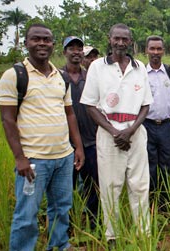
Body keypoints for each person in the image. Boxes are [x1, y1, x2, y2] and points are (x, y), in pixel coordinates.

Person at [0, 23, 84, 251]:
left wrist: (78, 148)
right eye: (36, 39)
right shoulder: (15, 75)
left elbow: (70, 114)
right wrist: (20, 158)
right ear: (26, 43)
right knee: (27, 214)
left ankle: (60, 245)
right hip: (34, 161)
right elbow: (7, 120)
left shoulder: (61, 77)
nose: (42, 43)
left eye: (46, 39)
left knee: (61, 207)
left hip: (64, 157)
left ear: (53, 44)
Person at [80, 23, 153, 244]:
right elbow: (90, 105)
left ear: (130, 41)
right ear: (109, 39)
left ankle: (144, 233)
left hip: (136, 132)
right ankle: (112, 236)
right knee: (111, 186)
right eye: (116, 39)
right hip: (108, 132)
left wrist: (130, 131)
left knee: (140, 185)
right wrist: (114, 131)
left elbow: (146, 105)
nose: (120, 43)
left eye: (125, 39)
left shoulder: (139, 67)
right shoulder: (97, 68)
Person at [142, 35, 170, 213]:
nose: (155, 52)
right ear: (146, 50)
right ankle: (151, 206)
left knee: (168, 167)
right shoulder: (140, 73)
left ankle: (166, 207)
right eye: (152, 49)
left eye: (158, 49)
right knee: (149, 167)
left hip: (167, 127)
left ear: (163, 51)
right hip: (146, 126)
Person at [61, 36, 100, 230]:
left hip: (92, 141)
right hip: (65, 144)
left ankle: (94, 224)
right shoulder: (57, 77)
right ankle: (65, 227)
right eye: (71, 48)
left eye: (79, 48)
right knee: (65, 188)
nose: (76, 52)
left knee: (93, 186)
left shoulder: (91, 78)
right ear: (64, 52)